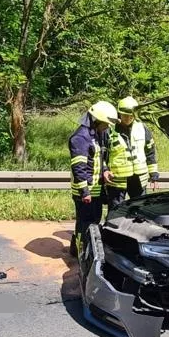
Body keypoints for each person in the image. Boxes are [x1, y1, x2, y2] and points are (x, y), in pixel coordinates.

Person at [68, 101, 118, 257]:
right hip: (85, 192)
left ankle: (80, 250)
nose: (107, 127)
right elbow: (79, 168)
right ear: (96, 120)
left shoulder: (96, 134)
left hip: (95, 189)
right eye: (106, 123)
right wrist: (84, 191)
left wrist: (105, 171)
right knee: (85, 224)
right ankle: (80, 252)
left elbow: (99, 158)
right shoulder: (80, 138)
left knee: (94, 221)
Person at [102, 96, 158, 209]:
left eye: (131, 115)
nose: (128, 118)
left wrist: (154, 175)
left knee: (140, 209)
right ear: (119, 113)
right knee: (116, 209)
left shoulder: (142, 128)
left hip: (139, 178)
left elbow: (150, 151)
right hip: (116, 179)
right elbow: (102, 154)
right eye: (125, 115)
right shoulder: (109, 129)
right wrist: (105, 170)